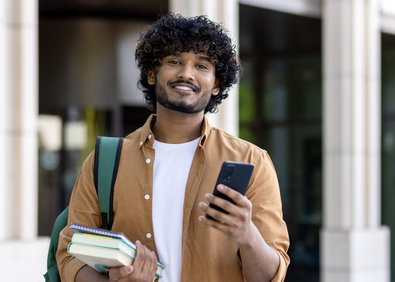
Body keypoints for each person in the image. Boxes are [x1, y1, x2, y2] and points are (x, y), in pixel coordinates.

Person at [56, 12, 290, 282]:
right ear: (153, 74)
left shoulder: (252, 160)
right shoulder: (107, 160)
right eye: (175, 61)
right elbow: (70, 255)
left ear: (216, 84)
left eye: (202, 65)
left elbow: (272, 276)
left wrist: (247, 234)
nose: (186, 73)